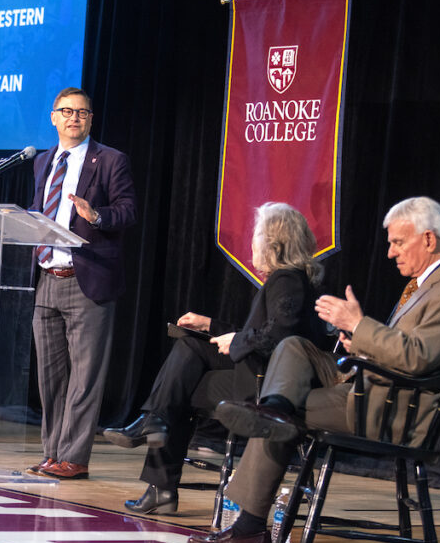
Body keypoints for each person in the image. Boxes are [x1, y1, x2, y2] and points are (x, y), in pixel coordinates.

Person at [188, 196, 440, 543]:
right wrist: (357, 342)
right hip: (371, 388)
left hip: (390, 409)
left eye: (398, 242)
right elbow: (404, 349)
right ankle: (273, 407)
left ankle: (250, 524)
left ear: (428, 239)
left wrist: (359, 325)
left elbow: (417, 357)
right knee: (294, 347)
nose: (390, 252)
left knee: (279, 419)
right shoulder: (428, 285)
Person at [103, 203, 327, 514]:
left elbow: (279, 338)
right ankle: (155, 430)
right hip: (258, 373)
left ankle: (160, 481)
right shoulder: (289, 279)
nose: (253, 240)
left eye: (258, 233)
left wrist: (236, 341)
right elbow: (262, 332)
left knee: (177, 393)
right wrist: (209, 325)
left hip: (266, 387)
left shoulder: (286, 280)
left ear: (274, 241)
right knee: (189, 349)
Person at [27, 87, 137, 479]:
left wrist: (96, 216)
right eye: (67, 112)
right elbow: (41, 213)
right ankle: (52, 452)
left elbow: (126, 212)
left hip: (87, 278)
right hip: (47, 277)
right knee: (51, 377)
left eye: (83, 113)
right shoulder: (42, 162)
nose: (75, 118)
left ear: (90, 120)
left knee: (85, 377)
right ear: (53, 117)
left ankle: (74, 457)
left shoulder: (110, 160)